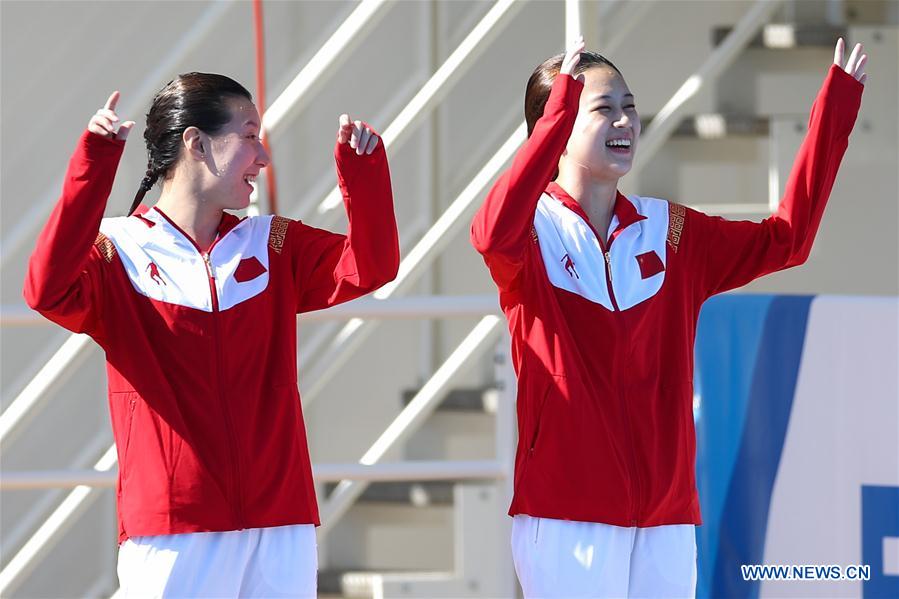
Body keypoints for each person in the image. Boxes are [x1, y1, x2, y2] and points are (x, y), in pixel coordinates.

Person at [470, 36, 867, 598]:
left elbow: (788, 240)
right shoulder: (528, 231)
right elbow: (489, 235)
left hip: (667, 519)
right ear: (553, 127)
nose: (625, 121)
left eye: (629, 106)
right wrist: (556, 113)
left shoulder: (672, 232)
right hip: (566, 515)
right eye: (602, 108)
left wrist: (835, 111)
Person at [24, 72, 399, 597]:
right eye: (249, 136)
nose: (262, 156)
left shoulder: (274, 242)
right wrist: (94, 162)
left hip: (282, 522)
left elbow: (371, 266)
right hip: (173, 526)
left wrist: (363, 173)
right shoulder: (116, 249)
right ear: (196, 143)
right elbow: (46, 290)